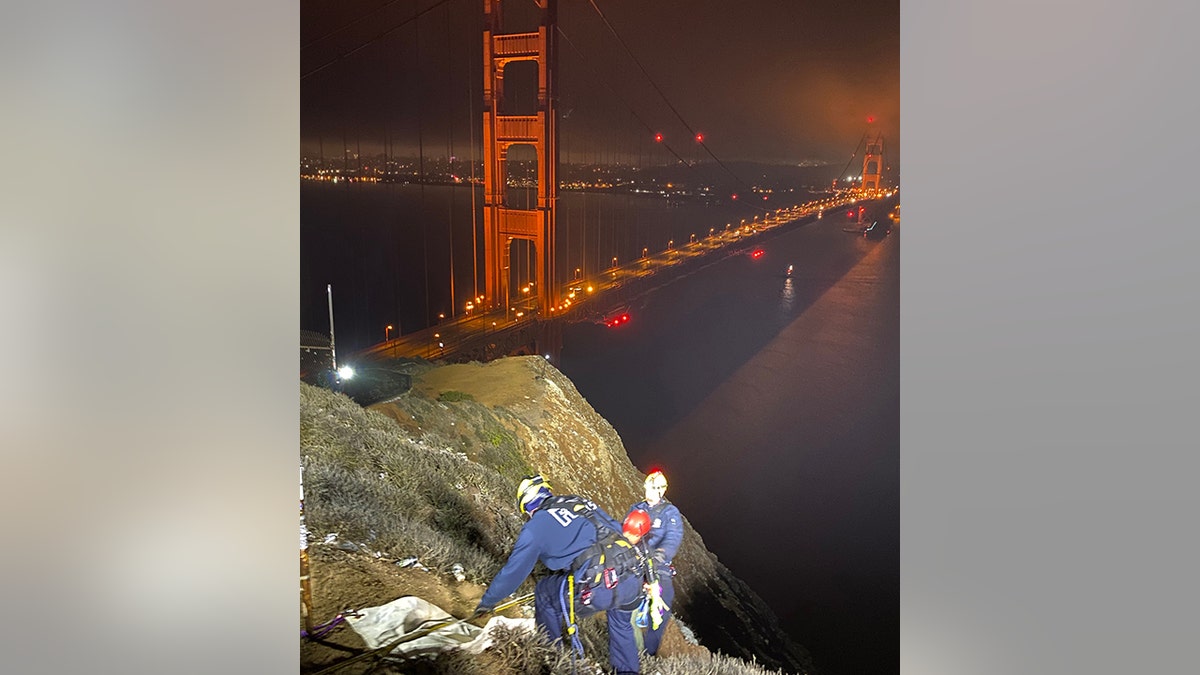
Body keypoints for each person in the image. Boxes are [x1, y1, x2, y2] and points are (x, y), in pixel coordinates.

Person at [474, 475, 652, 675]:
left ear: (528, 503)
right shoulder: (577, 502)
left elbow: (514, 572)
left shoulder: (536, 526)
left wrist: (488, 602)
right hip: (632, 576)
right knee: (621, 625)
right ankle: (628, 672)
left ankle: (552, 658)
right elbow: (619, 530)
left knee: (544, 592)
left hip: (599, 583)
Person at [627, 469, 684, 656]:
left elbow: (672, 538)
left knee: (663, 602)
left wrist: (659, 555)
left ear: (660, 490)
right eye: (647, 486)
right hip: (634, 563)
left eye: (651, 487)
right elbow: (625, 532)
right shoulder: (636, 509)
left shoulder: (669, 513)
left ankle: (648, 653)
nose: (647, 490)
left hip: (657, 567)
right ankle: (629, 649)